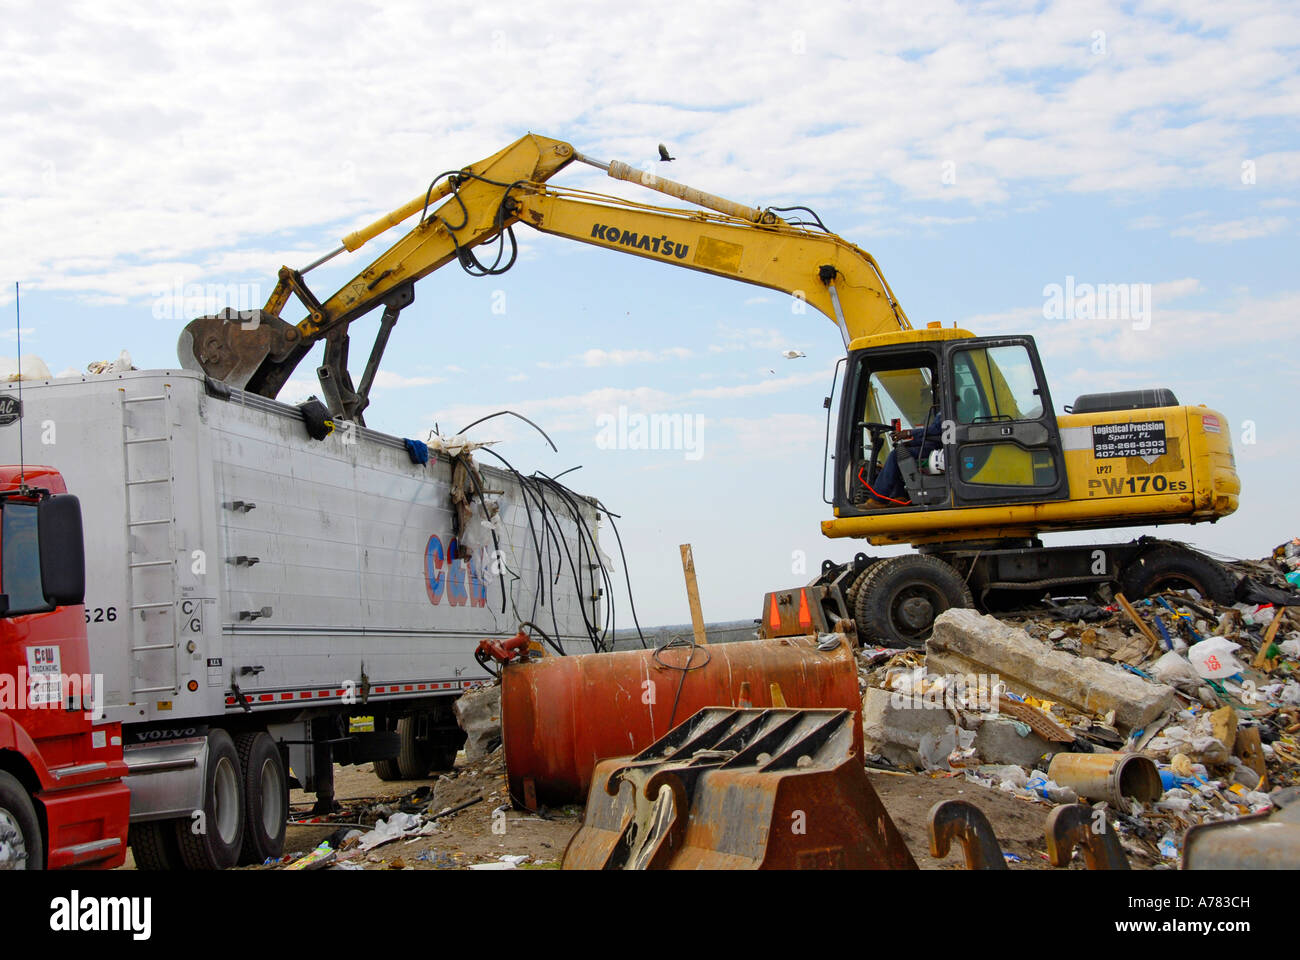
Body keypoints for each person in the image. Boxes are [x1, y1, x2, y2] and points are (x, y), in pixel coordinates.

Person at [864, 402, 944, 507]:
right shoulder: (943, 410)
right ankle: (899, 496)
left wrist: (909, 433)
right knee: (900, 451)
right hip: (931, 446)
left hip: (935, 449)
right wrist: (910, 443)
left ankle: (878, 499)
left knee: (896, 455)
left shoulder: (947, 408)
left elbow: (936, 431)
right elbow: (930, 434)